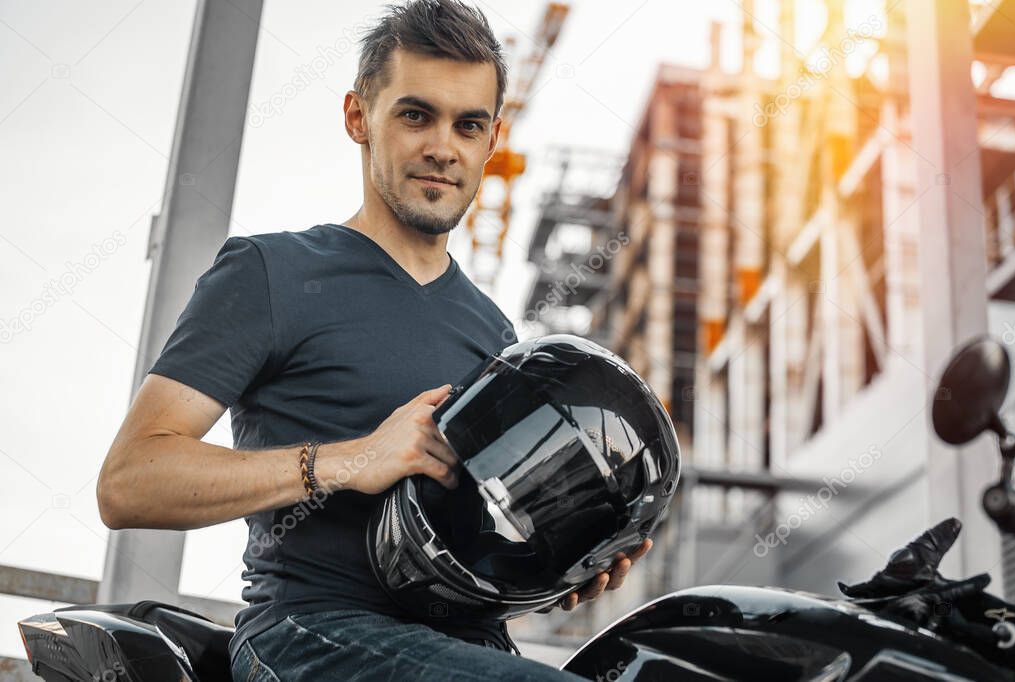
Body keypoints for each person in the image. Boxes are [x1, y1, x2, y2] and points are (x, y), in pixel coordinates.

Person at [96, 1, 651, 679]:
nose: (442, 147)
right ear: (358, 116)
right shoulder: (270, 272)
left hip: (469, 649)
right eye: (415, 115)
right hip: (310, 635)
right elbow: (128, 484)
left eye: (468, 124)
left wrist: (562, 561)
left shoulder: (496, 335)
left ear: (491, 139)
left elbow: (477, 548)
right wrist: (352, 459)